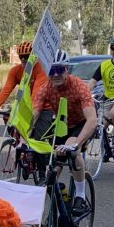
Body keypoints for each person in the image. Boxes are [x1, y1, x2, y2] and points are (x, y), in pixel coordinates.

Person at [32, 50, 98, 217]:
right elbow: (35, 114)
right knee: (52, 170)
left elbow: (92, 120)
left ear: (67, 69)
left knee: (72, 150)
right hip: (62, 124)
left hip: (82, 124)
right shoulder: (45, 87)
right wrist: (23, 137)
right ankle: (60, 198)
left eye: (59, 70)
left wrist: (78, 143)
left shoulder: (78, 86)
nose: (55, 75)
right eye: (51, 70)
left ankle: (80, 196)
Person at [0, 40, 46, 116]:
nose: (23, 59)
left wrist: (29, 111)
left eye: (26, 56)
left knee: (38, 125)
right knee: (7, 117)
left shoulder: (40, 69)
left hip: (43, 105)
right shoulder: (15, 71)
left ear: (33, 56)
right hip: (25, 103)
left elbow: (36, 94)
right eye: (21, 56)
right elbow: (6, 89)